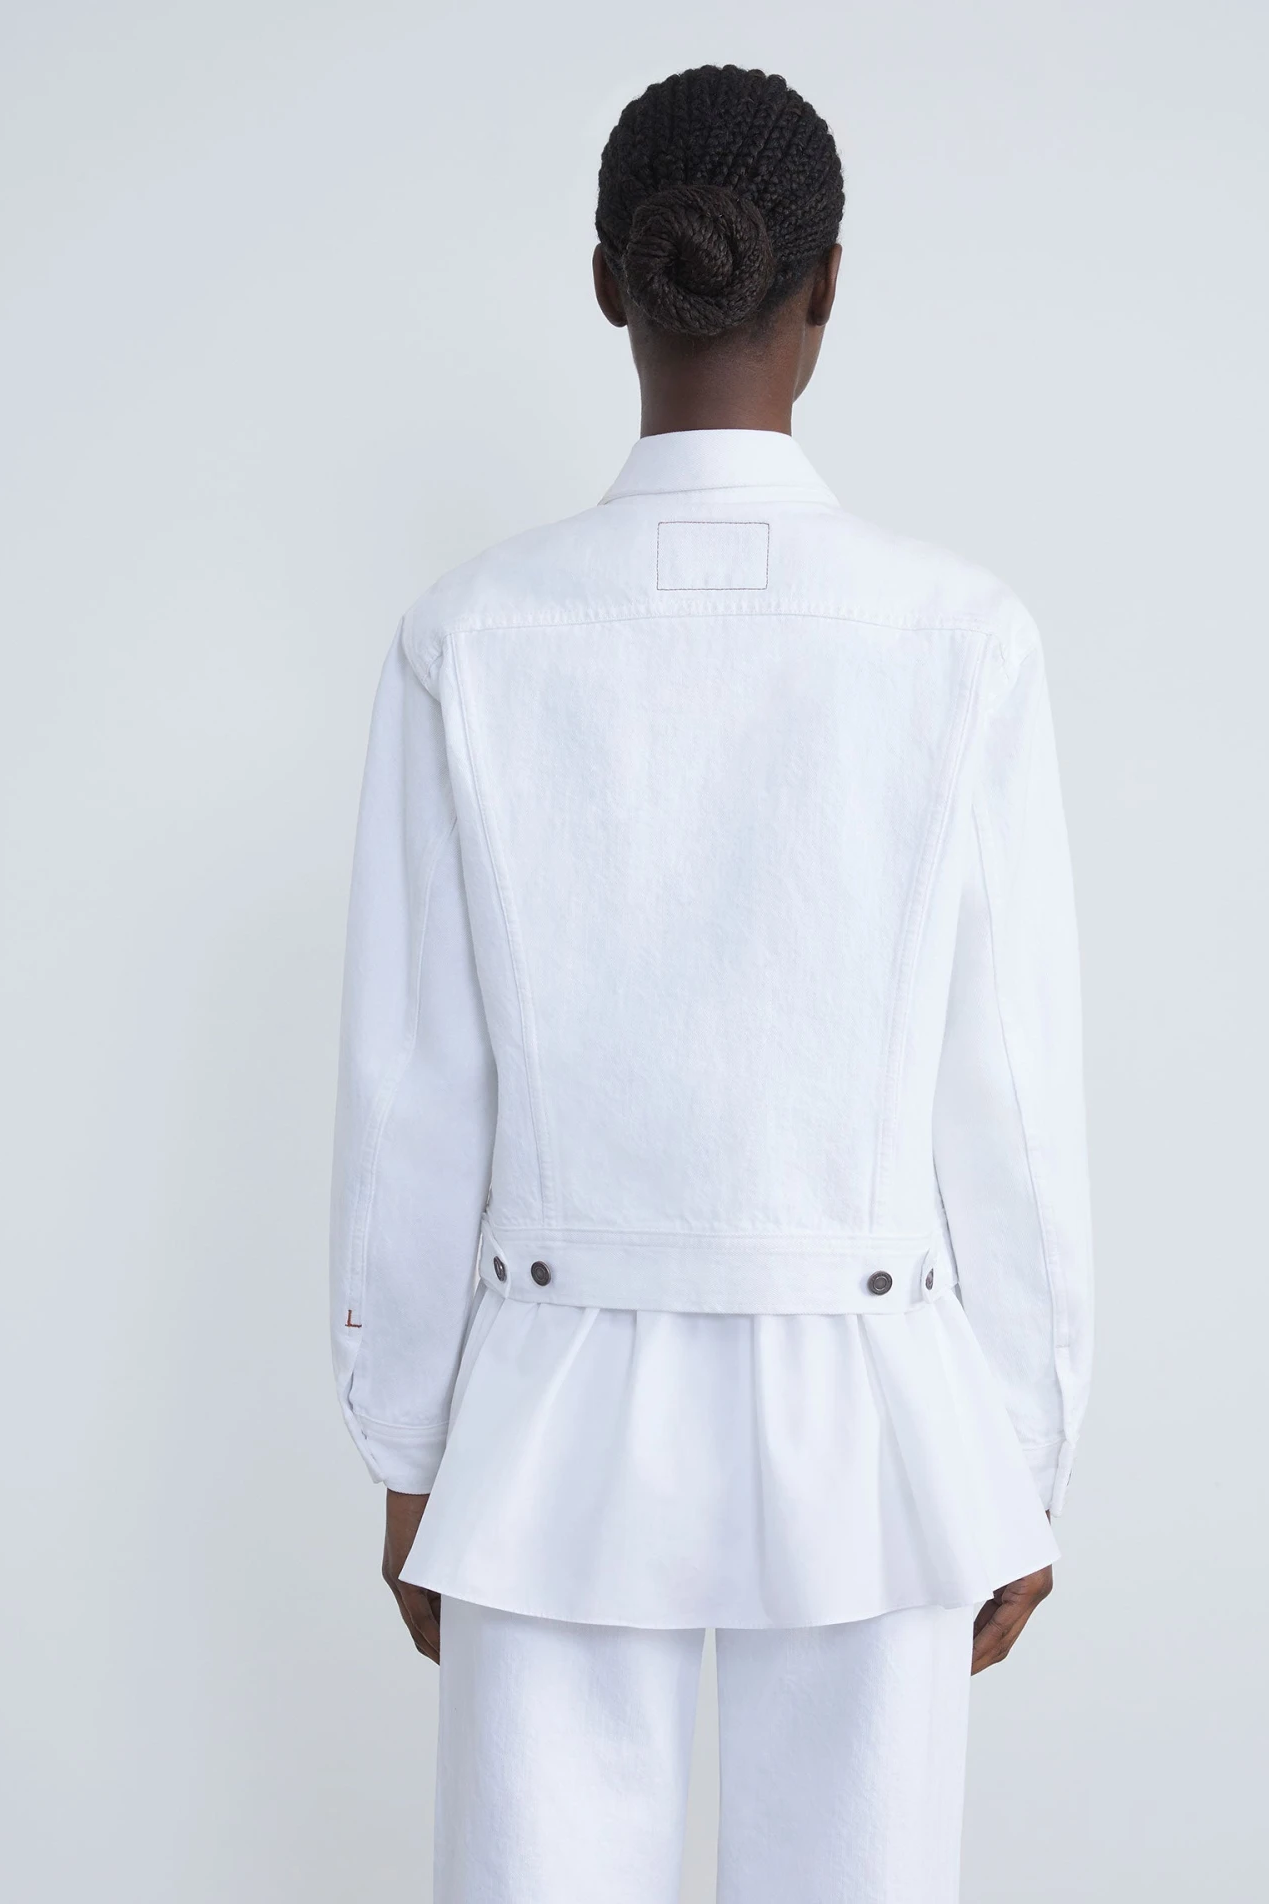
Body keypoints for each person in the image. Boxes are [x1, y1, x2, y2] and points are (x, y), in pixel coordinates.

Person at [331, 63, 1092, 1904]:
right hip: (879, 1405)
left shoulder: (471, 639)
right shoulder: (961, 639)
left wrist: (408, 1435)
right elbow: (1007, 1089)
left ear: (609, 281)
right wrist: (1018, 1444)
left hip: (547, 1400)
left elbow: (416, 1081)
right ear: (827, 288)